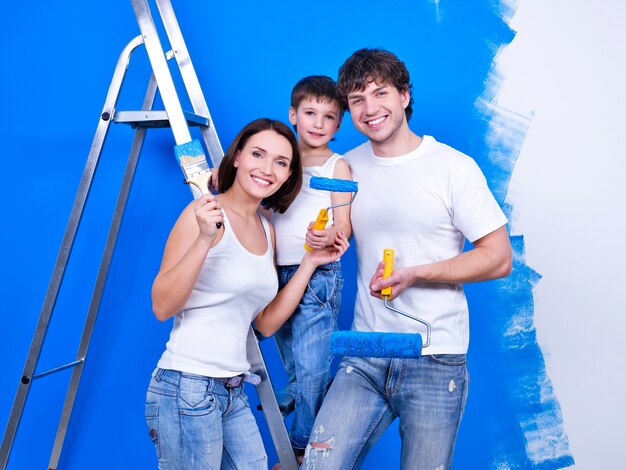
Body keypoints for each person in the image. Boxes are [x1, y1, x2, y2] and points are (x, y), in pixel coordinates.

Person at [302, 49, 513, 469]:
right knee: (318, 464)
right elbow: (338, 228)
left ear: (404, 95)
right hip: (365, 349)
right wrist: (323, 239)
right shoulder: (346, 166)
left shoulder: (454, 167)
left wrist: (415, 274)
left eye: (380, 93)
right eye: (357, 100)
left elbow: (499, 258)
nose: (370, 108)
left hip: (435, 357)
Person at [144, 118, 349, 469]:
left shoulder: (266, 231)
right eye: (258, 154)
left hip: (232, 390)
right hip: (186, 386)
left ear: (288, 175)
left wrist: (310, 263)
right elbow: (162, 306)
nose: (267, 169)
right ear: (237, 157)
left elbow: (265, 325)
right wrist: (205, 240)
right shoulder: (202, 214)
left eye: (281, 163)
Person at [269, 75, 352, 465]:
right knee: (296, 371)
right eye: (310, 113)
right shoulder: (280, 160)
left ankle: (300, 450)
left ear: (339, 125)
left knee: (313, 371)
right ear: (293, 115)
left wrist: (329, 236)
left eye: (329, 117)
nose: (318, 123)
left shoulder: (339, 165)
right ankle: (302, 437)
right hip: (274, 276)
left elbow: (344, 224)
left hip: (318, 277)